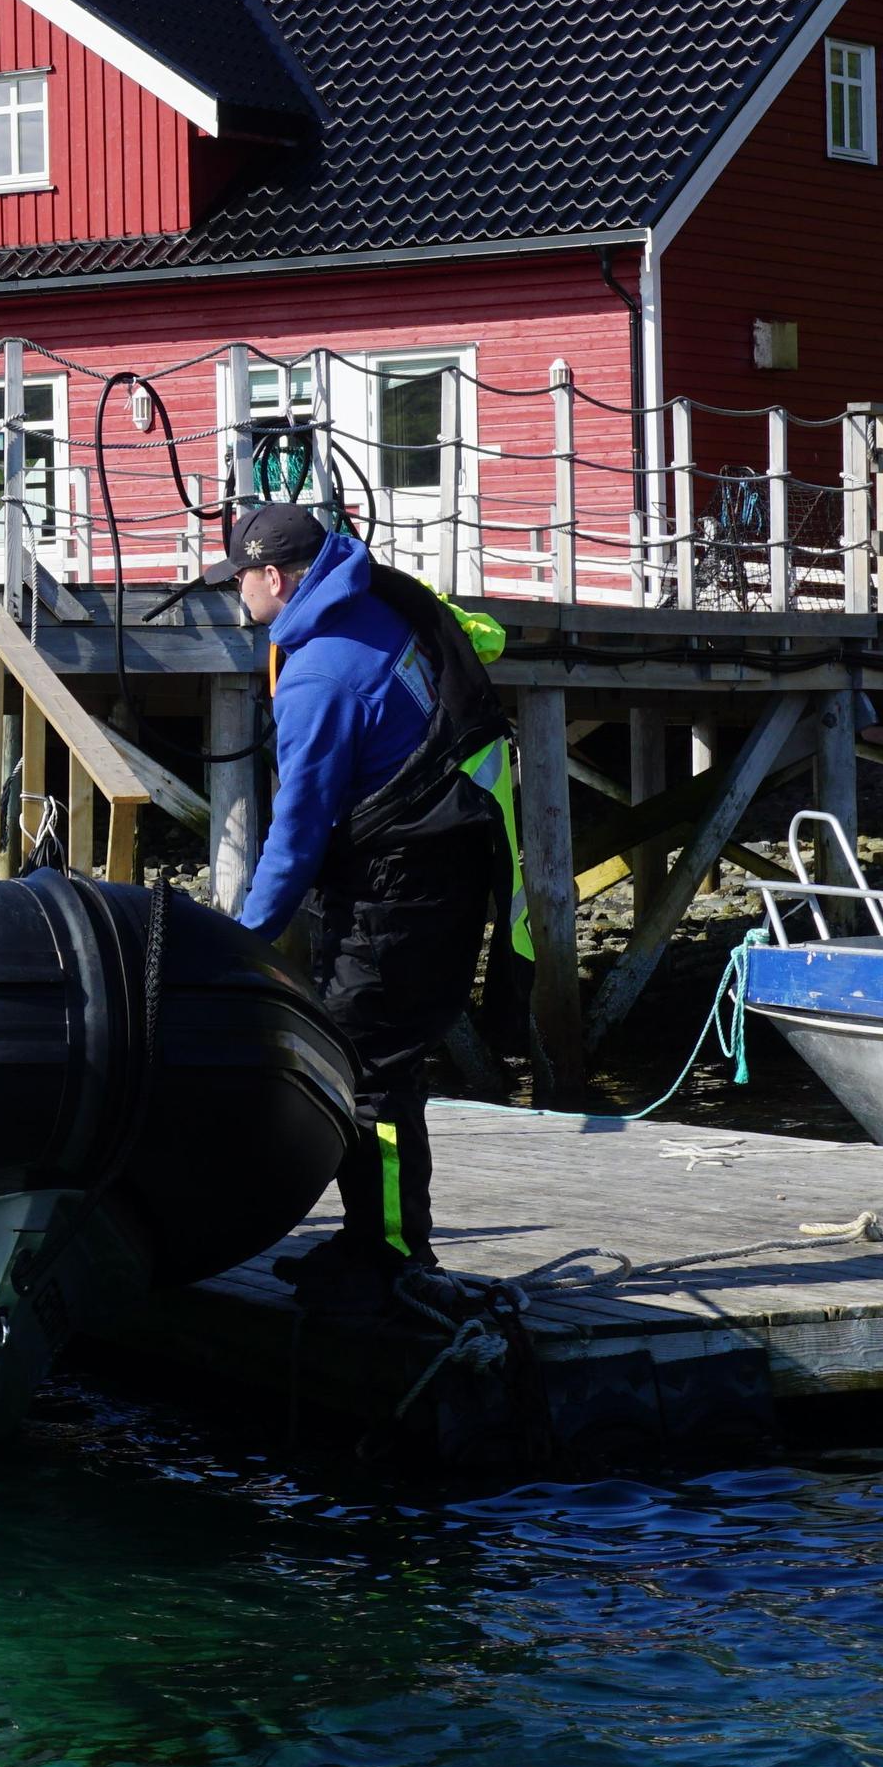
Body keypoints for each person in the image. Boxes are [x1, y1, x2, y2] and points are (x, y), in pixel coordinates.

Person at [213, 499, 518, 1317]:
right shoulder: (381, 600)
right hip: (448, 870)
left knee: (369, 1077)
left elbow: (299, 828)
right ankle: (372, 1240)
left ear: (273, 577)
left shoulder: (318, 677)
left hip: (399, 895)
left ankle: (389, 1260)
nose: (237, 594)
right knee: (380, 1066)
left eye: (240, 579)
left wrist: (245, 938)